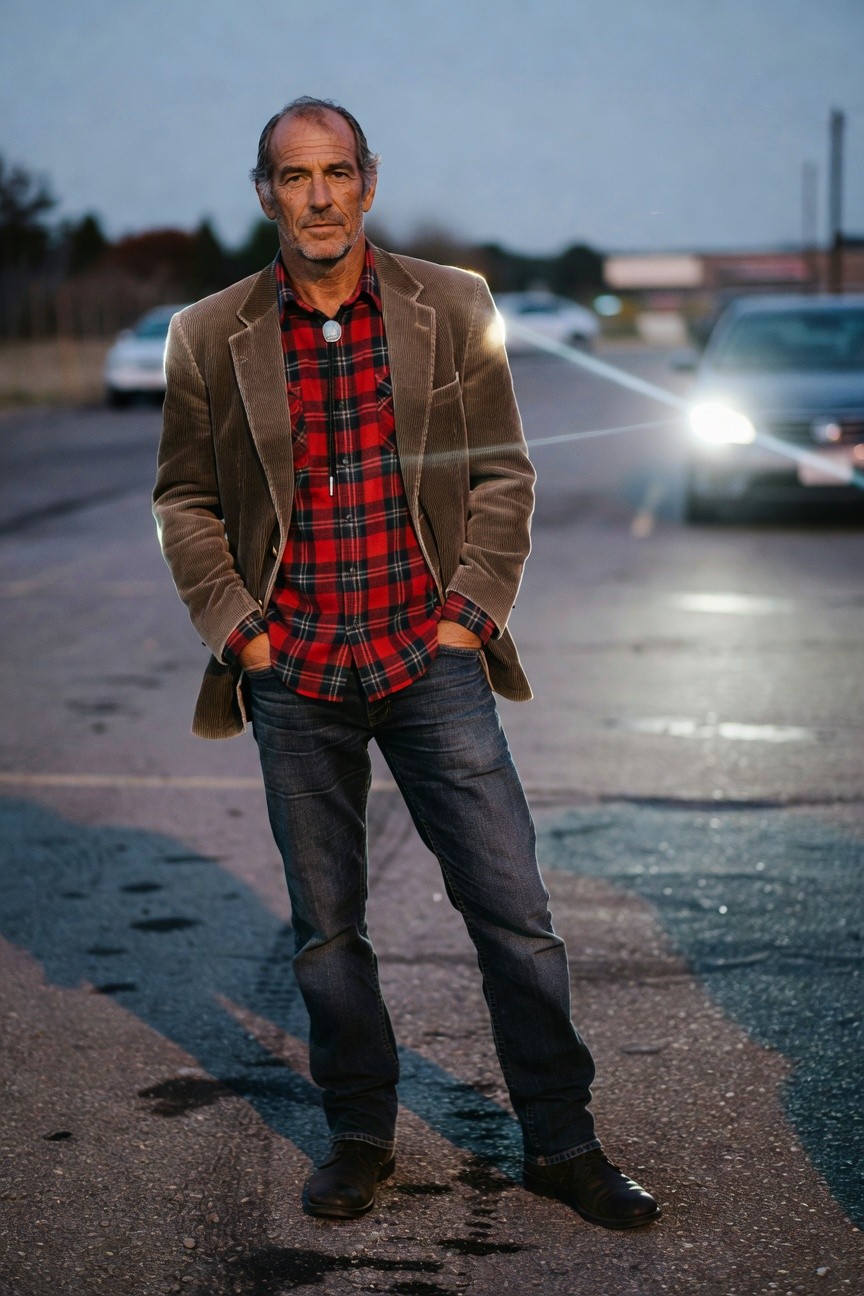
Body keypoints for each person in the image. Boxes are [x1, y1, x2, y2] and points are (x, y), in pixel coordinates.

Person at [153, 96, 659, 1229]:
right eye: (296, 177)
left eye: (338, 173)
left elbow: (504, 473)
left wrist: (471, 614)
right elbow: (184, 500)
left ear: (369, 183)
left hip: (430, 662)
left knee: (514, 912)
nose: (320, 196)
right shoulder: (208, 333)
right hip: (296, 678)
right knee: (328, 931)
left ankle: (563, 1143)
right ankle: (359, 1134)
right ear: (266, 192)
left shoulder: (454, 304)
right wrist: (244, 633)